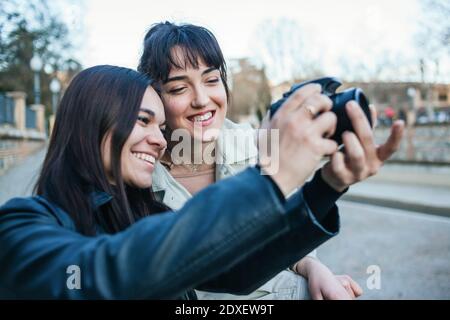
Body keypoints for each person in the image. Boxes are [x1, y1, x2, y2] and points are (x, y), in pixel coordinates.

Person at [0, 64, 356, 299]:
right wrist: (270, 178)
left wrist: (325, 188)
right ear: (91, 122)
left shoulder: (142, 213)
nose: (159, 140)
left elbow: (235, 272)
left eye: (160, 126)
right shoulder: (19, 225)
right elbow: (106, 273)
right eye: (142, 121)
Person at [137, 21, 404, 300]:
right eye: (179, 88)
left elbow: (281, 232)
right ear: (155, 98)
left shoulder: (257, 145)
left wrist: (311, 267)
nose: (202, 100)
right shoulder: (136, 173)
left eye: (212, 80)